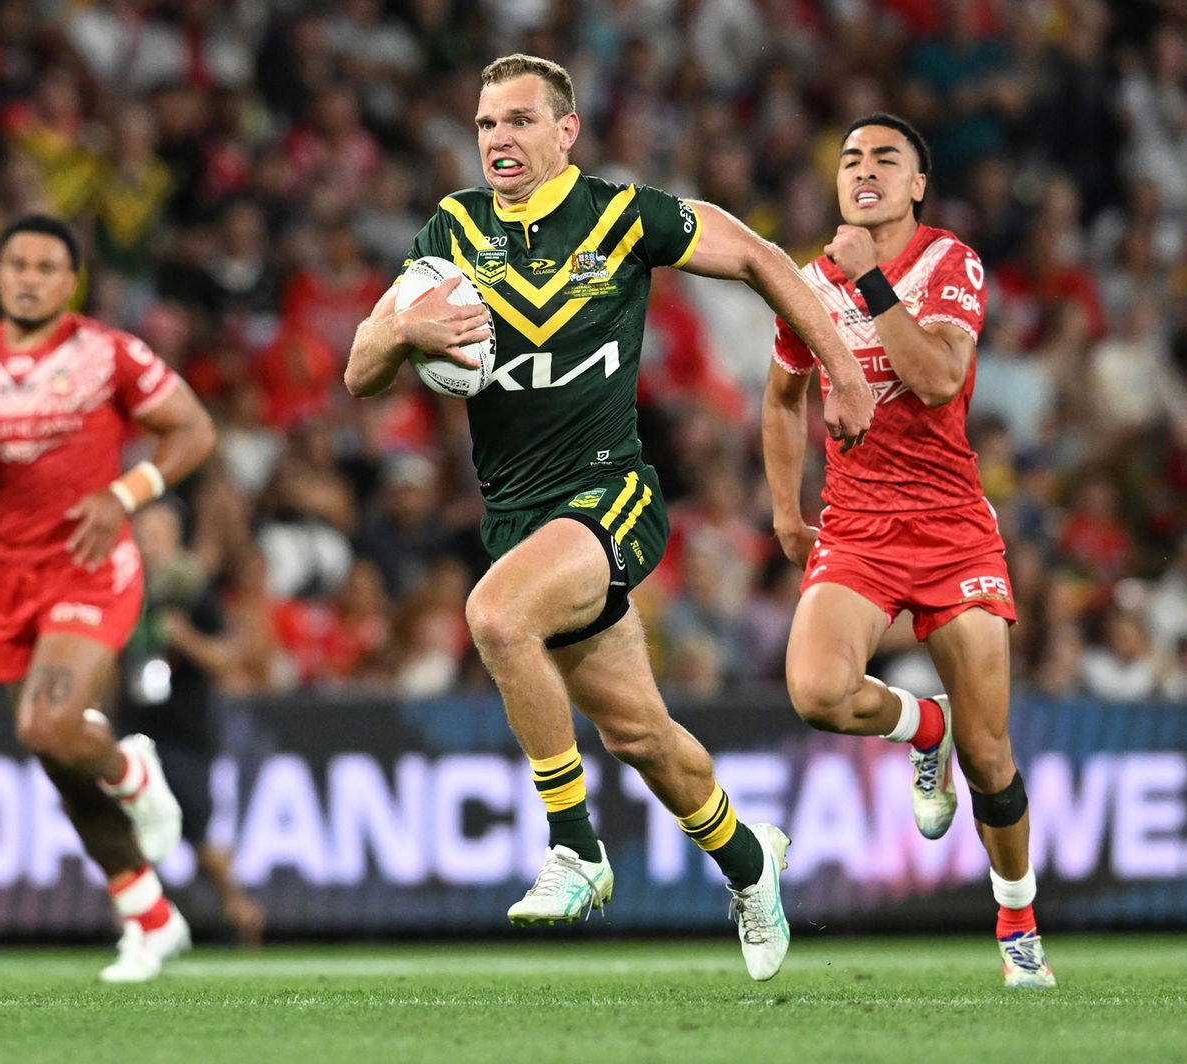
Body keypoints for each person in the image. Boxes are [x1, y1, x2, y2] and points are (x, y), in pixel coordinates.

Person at [344, 54, 875, 981]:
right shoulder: (452, 230)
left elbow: (753, 254)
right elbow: (358, 371)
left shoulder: (622, 217)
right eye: (485, 124)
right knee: (643, 738)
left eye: (517, 121)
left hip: (611, 495)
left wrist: (841, 363)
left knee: (496, 616)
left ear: (566, 131)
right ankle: (753, 864)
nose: (498, 140)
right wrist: (402, 331)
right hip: (518, 516)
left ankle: (576, 848)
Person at [0, 215, 216, 982]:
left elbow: (194, 431)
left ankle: (134, 770)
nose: (29, 277)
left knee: (52, 723)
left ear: (72, 281)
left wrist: (124, 494)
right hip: (9, 581)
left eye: (46, 266)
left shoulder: (107, 353)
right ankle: (149, 916)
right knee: (55, 753)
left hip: (90, 565)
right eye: (16, 265)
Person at [762, 113, 1055, 988]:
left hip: (952, 525)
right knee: (816, 691)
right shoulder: (808, 282)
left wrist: (872, 284)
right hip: (856, 526)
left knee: (993, 756)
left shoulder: (950, 261)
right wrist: (785, 508)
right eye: (849, 155)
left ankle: (1017, 923)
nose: (864, 169)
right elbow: (782, 397)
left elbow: (936, 379)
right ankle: (922, 723)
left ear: (918, 183)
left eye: (886, 157)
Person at [117, 502, 265, 946]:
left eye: (158, 533)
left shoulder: (192, 591)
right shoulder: (124, 591)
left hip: (186, 733)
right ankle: (136, 923)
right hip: (136, 729)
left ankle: (239, 909)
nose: (149, 541)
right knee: (129, 831)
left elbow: (225, 659)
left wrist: (186, 639)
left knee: (199, 837)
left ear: (175, 538)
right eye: (143, 532)